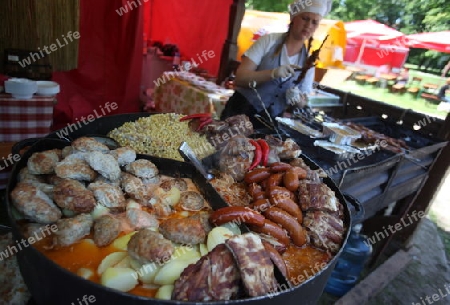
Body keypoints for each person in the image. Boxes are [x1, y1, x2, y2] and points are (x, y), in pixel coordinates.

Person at [220, 0, 333, 127]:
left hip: (268, 124)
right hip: (239, 113)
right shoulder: (269, 41)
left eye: (314, 22)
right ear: (294, 18)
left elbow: (304, 101)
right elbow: (240, 78)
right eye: (305, 18)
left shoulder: (308, 61)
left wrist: (298, 100)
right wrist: (272, 73)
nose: (308, 25)